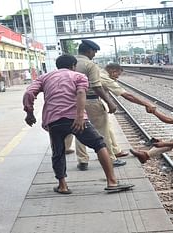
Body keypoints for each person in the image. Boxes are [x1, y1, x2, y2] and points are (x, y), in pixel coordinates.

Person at [23, 54, 134, 194]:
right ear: (73, 66)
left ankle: (63, 186)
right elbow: (81, 92)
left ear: (58, 66)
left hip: (53, 120)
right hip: (75, 119)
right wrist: (80, 116)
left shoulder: (45, 77)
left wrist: (30, 113)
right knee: (99, 144)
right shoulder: (79, 77)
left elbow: (29, 93)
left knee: (58, 152)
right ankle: (112, 182)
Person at [74, 39, 124, 170]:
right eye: (94, 52)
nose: (94, 54)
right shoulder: (90, 65)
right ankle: (110, 159)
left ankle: (82, 160)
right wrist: (109, 102)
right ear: (89, 51)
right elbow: (96, 86)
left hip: (75, 102)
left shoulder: (71, 62)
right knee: (103, 131)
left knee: (79, 130)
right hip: (91, 101)